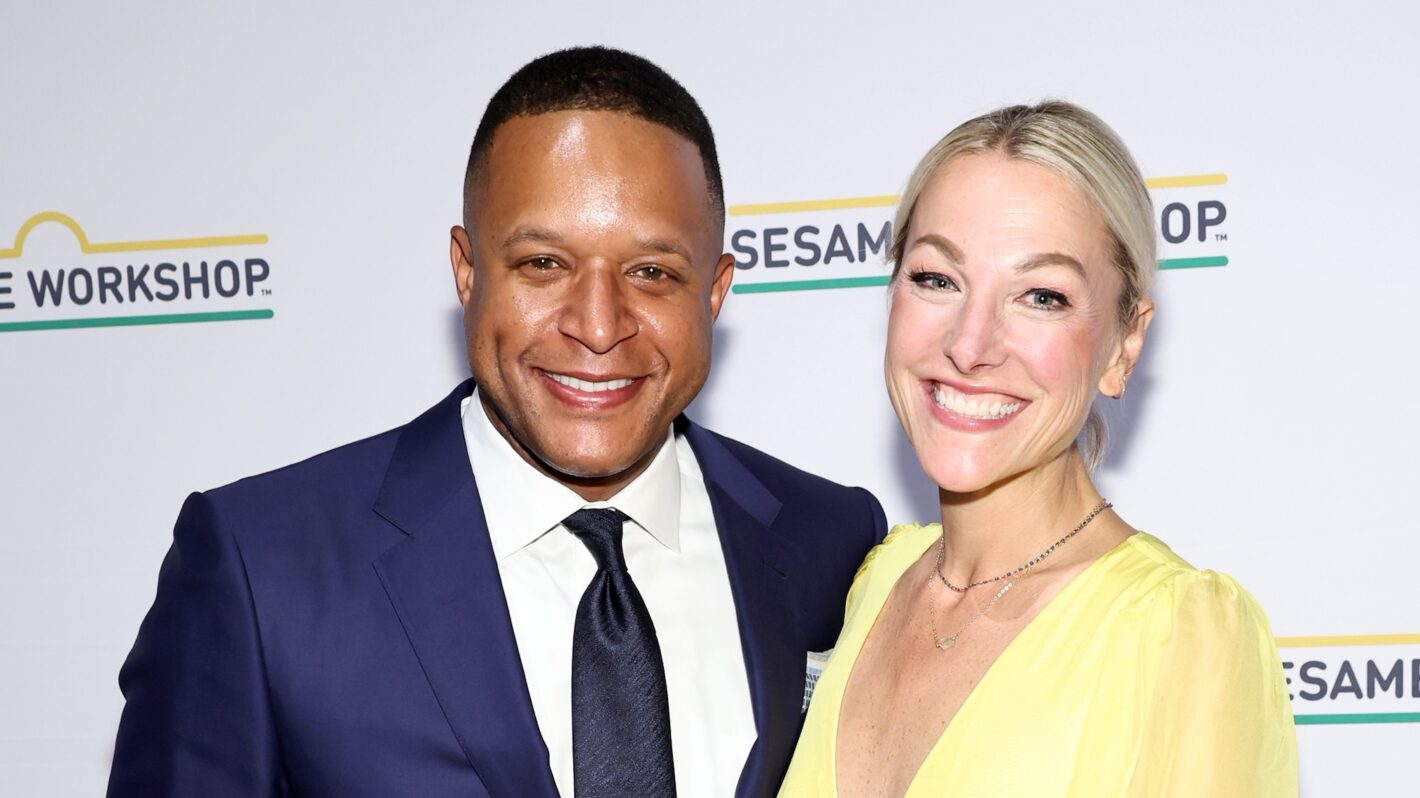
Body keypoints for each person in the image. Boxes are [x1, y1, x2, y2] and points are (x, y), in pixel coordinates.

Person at [107, 46, 886, 798]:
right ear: (467, 270)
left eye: (652, 273)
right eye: (544, 264)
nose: (598, 324)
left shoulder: (828, 541)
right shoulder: (262, 567)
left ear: (712, 294)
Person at [779, 102, 1298, 797]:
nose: (968, 345)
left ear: (1124, 344)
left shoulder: (1180, 636)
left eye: (1042, 296)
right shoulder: (874, 580)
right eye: (937, 279)